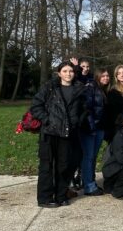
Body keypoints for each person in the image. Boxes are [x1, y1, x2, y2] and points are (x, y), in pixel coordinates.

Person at [31, 61, 87, 207]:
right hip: (49, 133)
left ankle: (61, 195)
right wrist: (47, 120)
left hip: (68, 133)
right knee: (47, 166)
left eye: (71, 71)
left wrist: (77, 121)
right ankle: (45, 198)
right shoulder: (49, 88)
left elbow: (84, 109)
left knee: (64, 166)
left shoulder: (79, 89)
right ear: (59, 73)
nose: (68, 74)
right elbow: (36, 106)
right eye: (65, 71)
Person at [78, 68, 107, 196]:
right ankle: (88, 186)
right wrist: (91, 126)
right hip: (90, 128)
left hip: (99, 127)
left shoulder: (102, 89)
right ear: (97, 76)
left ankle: (91, 182)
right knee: (88, 156)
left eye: (107, 76)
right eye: (103, 76)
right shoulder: (90, 87)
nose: (106, 78)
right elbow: (87, 108)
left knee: (93, 156)